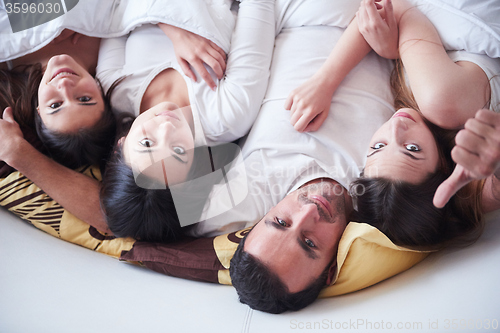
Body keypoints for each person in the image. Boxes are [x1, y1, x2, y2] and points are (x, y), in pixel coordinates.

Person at [185, 0, 395, 312]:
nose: (309, 213)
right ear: (330, 272)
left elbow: (139, 222)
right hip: (392, 24)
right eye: (310, 243)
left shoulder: (251, 192)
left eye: (280, 221)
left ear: (252, 226)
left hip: (301, 12)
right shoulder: (382, 195)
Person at [285, 0, 500, 249]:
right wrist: (326, 81)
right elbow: (395, 7)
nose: (395, 127)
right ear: (442, 167)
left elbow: (378, 14)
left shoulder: (432, 120)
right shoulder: (440, 104)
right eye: (411, 149)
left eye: (378, 146)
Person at [96, 0, 275, 243]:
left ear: (120, 144)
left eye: (147, 143)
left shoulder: (113, 89)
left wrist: (174, 29)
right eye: (178, 151)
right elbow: (259, 5)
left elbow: (112, 9)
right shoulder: (228, 114)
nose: (167, 128)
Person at [0, 31, 117, 171]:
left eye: (55, 105)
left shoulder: (6, 62)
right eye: (84, 99)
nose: (65, 85)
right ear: (101, 93)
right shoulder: (106, 41)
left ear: (39, 110)